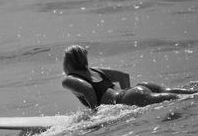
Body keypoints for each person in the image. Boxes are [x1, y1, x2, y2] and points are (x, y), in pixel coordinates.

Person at [62, 45, 196, 109]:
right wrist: (128, 92)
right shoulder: (95, 70)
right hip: (137, 89)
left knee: (178, 100)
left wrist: (95, 112)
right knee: (187, 94)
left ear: (67, 63)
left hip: (130, 96)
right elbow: (124, 77)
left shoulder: (68, 79)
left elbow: (88, 90)